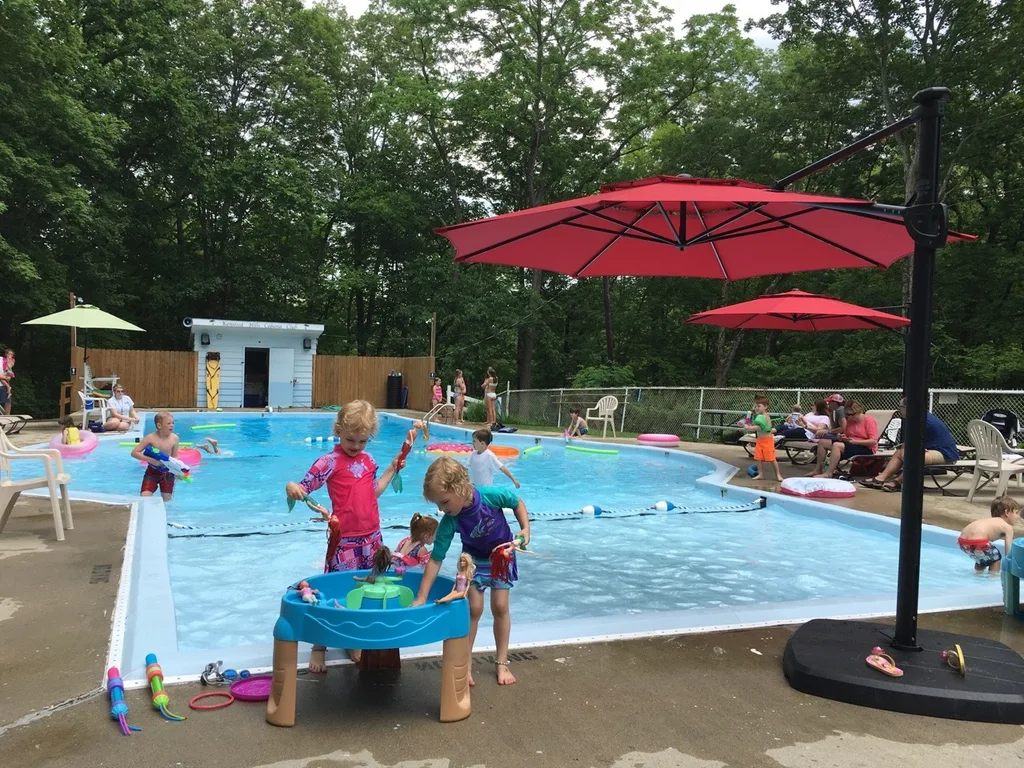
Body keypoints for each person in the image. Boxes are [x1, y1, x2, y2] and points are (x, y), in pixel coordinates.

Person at [284, 399, 406, 672]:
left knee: (366, 589)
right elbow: (304, 488)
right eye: (351, 439)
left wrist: (391, 469)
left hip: (372, 538)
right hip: (346, 541)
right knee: (335, 590)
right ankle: (319, 647)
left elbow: (373, 492)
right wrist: (292, 487)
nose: (356, 446)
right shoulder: (328, 462)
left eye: (363, 441)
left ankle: (353, 640)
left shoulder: (369, 460)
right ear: (338, 430)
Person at [412, 456, 530, 686]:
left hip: (501, 558)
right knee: (474, 609)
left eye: (444, 502)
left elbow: (516, 502)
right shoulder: (450, 521)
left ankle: (502, 662)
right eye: (438, 504)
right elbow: (436, 560)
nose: (441, 509)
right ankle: (465, 665)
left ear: (460, 489)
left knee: (500, 606)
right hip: (473, 562)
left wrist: (525, 528)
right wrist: (421, 597)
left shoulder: (490, 496)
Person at [861, 396, 960, 491]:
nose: (900, 410)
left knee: (915, 458)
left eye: (901, 407)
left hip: (945, 454)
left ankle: (898, 483)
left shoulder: (921, 421)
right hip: (933, 449)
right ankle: (881, 478)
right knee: (899, 453)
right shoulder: (919, 417)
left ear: (907, 407)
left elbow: (913, 444)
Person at [812, 400, 878, 478]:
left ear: (859, 411)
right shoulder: (850, 421)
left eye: (852, 414)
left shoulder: (868, 420)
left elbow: (873, 441)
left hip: (866, 448)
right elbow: (847, 435)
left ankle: (829, 472)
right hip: (851, 444)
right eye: (847, 415)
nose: (849, 417)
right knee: (823, 442)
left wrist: (855, 442)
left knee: (837, 445)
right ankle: (818, 469)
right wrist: (841, 437)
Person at [957, 496, 1019, 575]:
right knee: (996, 557)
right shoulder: (1008, 527)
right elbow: (1008, 553)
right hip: (978, 542)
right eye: (1016, 513)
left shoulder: (989, 521)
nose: (1018, 517)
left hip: (962, 542)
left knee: (982, 559)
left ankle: (977, 575)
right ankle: (992, 580)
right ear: (1007, 512)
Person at [131, 412, 180, 501]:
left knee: (167, 500)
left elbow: (175, 457)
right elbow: (134, 452)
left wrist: (177, 470)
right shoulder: (150, 438)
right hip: (152, 471)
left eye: (173, 423)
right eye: (168, 423)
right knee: (144, 496)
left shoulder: (174, 438)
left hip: (168, 473)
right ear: (159, 425)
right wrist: (151, 460)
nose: (172, 425)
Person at [745, 396, 782, 482]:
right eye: (756, 406)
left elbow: (758, 427)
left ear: (765, 407)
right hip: (760, 440)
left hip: (767, 441)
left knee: (772, 459)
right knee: (758, 458)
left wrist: (749, 428)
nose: (756, 408)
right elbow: (756, 426)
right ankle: (760, 474)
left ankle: (778, 474)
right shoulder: (759, 416)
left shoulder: (764, 416)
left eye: (759, 406)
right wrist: (749, 424)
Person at [0, 348, 14, 416]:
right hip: (3, 380)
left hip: (3, 383)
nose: (10, 355)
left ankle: (7, 416)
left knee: (8, 401)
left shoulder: (4, 360)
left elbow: (9, 370)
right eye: (9, 354)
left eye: (11, 354)